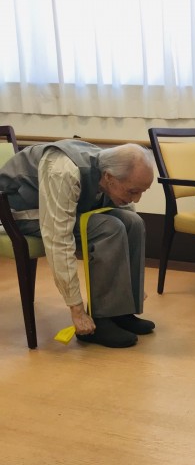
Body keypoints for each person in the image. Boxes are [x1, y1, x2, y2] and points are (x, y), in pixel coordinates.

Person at [0, 139, 155, 348]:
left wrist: (131, 287)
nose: (136, 199)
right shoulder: (63, 170)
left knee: (133, 222)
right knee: (109, 228)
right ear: (109, 177)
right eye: (133, 192)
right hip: (21, 213)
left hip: (61, 209)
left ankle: (121, 312)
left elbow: (128, 216)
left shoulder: (108, 164)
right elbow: (58, 239)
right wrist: (77, 310)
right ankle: (100, 320)